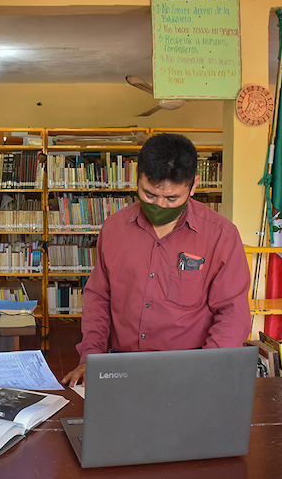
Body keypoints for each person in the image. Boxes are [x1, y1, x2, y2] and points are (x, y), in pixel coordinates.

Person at [62, 133, 251, 387]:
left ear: (193, 185)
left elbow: (232, 313)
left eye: (172, 198)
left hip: (192, 368)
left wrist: (208, 371)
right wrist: (91, 357)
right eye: (150, 195)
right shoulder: (115, 228)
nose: (160, 205)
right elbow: (98, 298)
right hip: (123, 365)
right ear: (136, 178)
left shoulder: (221, 235)